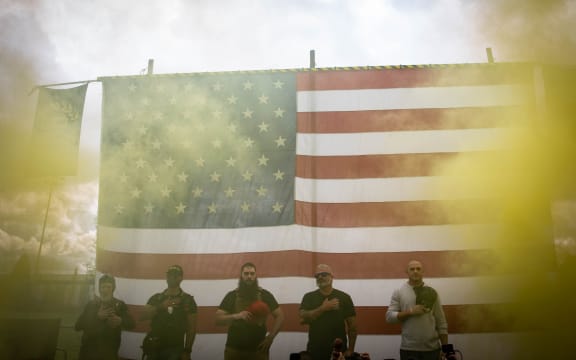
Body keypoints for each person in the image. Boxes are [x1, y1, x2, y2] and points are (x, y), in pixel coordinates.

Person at [215, 262, 284, 360]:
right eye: (246, 273)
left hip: (259, 350)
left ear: (256, 275)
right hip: (234, 350)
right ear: (241, 275)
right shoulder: (232, 295)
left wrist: (270, 338)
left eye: (252, 274)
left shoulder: (265, 295)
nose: (249, 276)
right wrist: (236, 316)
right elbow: (217, 319)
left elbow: (280, 316)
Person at [385, 260, 448, 360]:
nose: (415, 271)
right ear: (407, 272)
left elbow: (441, 322)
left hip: (432, 349)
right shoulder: (399, 291)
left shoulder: (432, 292)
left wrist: (446, 350)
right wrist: (410, 311)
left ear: (423, 272)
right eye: (412, 269)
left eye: (418, 269)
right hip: (408, 349)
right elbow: (389, 317)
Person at [299, 264, 358, 360]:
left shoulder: (344, 297)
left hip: (339, 351)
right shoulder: (309, 297)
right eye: (317, 276)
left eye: (324, 274)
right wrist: (323, 308)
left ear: (332, 276)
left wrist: (350, 350)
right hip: (315, 351)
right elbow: (302, 317)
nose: (320, 277)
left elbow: (353, 327)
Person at [141, 265, 197, 360]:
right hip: (154, 347)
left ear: (181, 278)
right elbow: (143, 316)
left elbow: (191, 328)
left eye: (175, 275)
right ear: (166, 277)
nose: (172, 278)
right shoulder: (156, 298)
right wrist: (161, 306)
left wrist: (187, 351)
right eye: (170, 275)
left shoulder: (187, 300)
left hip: (175, 349)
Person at [75, 274, 134, 360]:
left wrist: (120, 320)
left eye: (108, 287)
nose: (105, 290)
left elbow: (132, 324)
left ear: (113, 289)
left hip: (109, 353)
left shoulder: (120, 305)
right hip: (88, 353)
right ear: (99, 289)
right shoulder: (91, 305)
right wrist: (97, 317)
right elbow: (78, 326)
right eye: (103, 287)